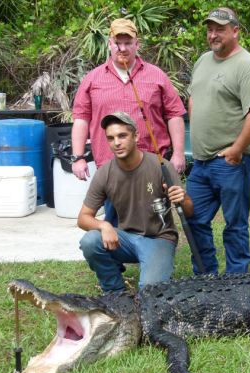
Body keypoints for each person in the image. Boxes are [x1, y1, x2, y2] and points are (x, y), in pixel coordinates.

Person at [71, 18, 187, 224]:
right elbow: (81, 118)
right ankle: (117, 251)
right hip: (111, 166)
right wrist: (78, 157)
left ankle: (155, 251)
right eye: (117, 43)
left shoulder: (157, 76)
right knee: (114, 220)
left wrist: (178, 153)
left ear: (137, 44)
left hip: (152, 165)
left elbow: (174, 114)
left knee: (155, 218)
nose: (122, 48)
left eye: (127, 43)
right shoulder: (92, 79)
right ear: (109, 44)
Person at [187, 7, 250, 275]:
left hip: (231, 161)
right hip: (200, 162)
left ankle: (236, 282)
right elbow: (193, 98)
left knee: (234, 223)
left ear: (235, 31)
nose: (213, 35)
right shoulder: (203, 61)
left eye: (219, 29)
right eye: (210, 29)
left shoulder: (248, 66)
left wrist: (237, 149)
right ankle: (206, 277)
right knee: (194, 219)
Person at [78, 112, 193, 293]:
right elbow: (83, 218)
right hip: (125, 239)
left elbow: (189, 211)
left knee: (149, 292)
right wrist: (104, 226)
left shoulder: (161, 166)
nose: (116, 142)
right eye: (111, 138)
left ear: (136, 136)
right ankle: (115, 293)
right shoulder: (105, 172)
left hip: (159, 238)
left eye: (122, 136)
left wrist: (183, 198)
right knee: (90, 241)